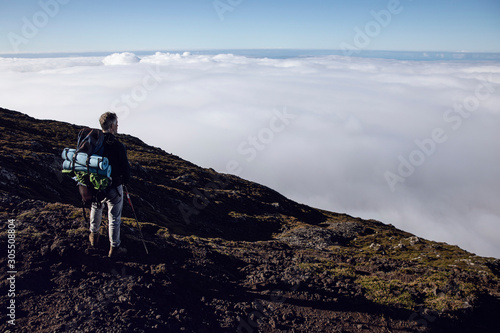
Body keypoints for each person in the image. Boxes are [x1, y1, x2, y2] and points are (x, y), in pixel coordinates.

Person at [89, 112, 130, 257]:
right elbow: (126, 169)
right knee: (114, 218)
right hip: (114, 187)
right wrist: (125, 180)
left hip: (95, 185)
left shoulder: (94, 143)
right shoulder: (118, 146)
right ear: (112, 126)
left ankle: (94, 237)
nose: (118, 126)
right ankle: (114, 248)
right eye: (116, 123)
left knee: (96, 207)